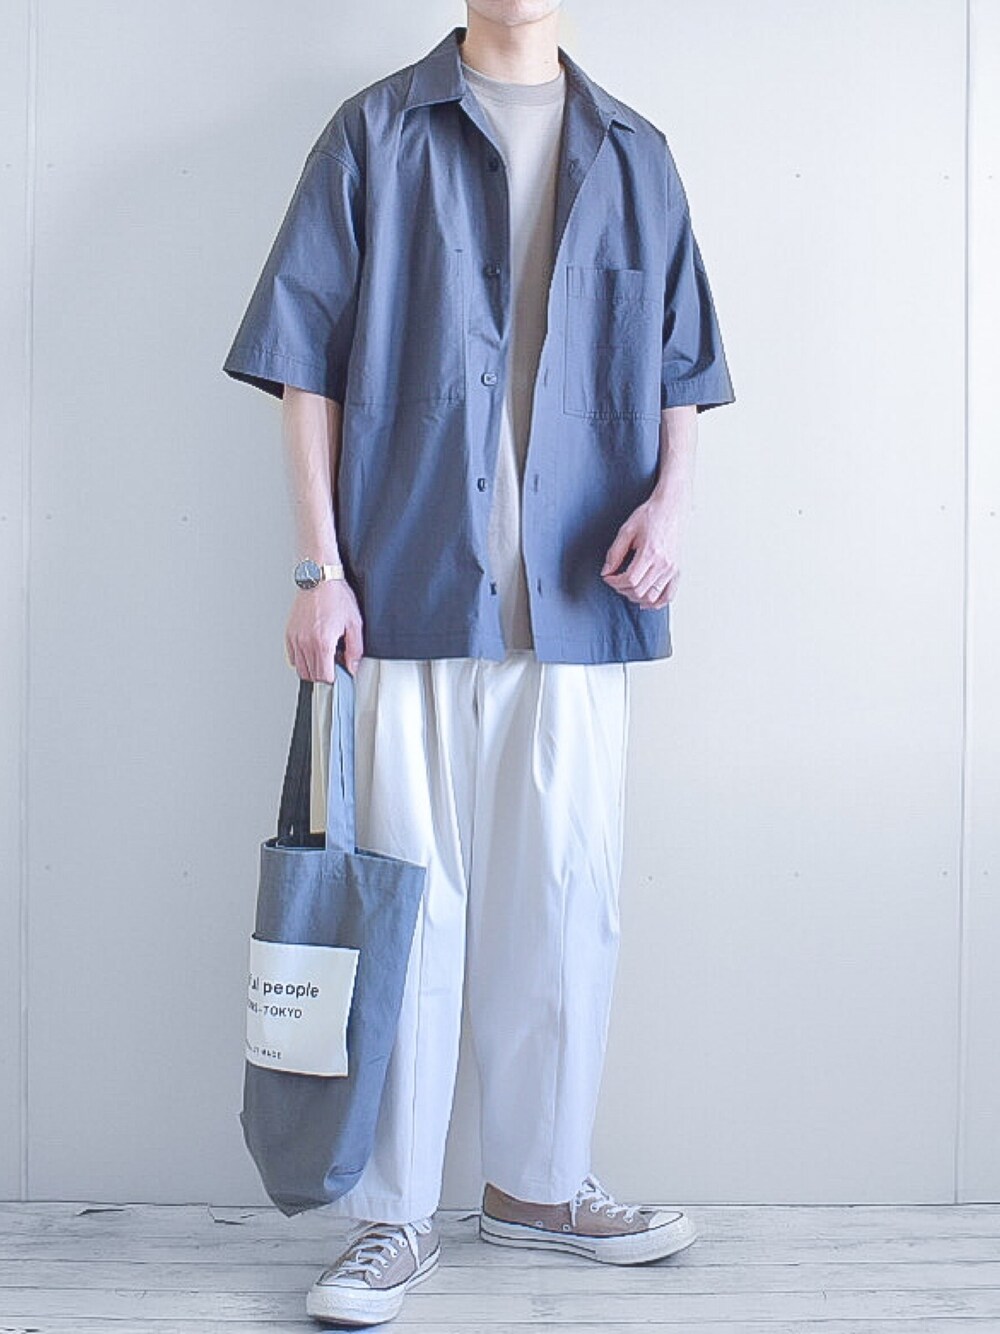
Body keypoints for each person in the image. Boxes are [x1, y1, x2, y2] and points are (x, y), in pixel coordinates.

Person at [223, 2, 734, 1325]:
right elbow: (304, 363)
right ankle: (389, 1217)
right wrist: (320, 569)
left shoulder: (635, 152)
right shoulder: (375, 135)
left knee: (567, 900)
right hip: (408, 587)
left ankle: (540, 1186)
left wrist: (673, 508)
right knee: (409, 908)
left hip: (579, 594)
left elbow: (683, 359)